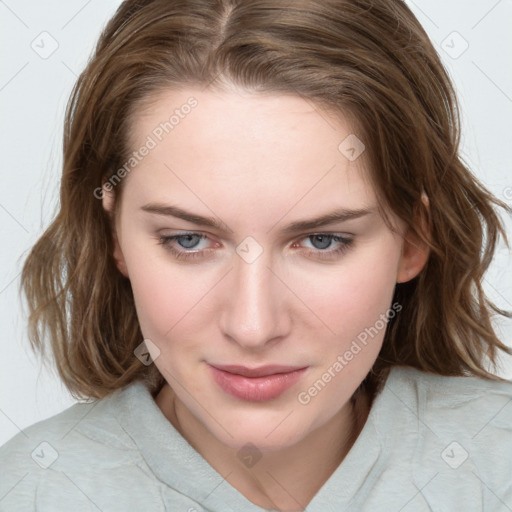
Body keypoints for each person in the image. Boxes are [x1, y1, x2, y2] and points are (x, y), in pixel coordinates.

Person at [1, 0, 511, 510]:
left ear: (413, 239)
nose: (252, 327)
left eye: (322, 241)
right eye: (188, 240)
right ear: (114, 235)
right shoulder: (31, 491)